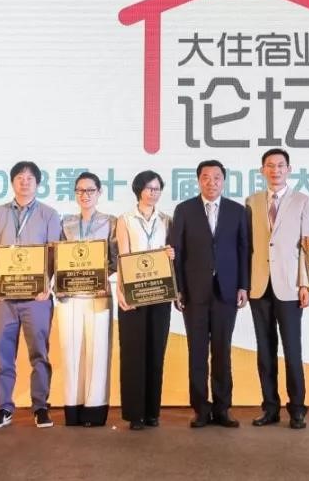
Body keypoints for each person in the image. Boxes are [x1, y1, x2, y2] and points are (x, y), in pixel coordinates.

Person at [170, 159, 250, 428]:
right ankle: (200, 409)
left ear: (223, 181)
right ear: (198, 180)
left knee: (222, 351)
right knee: (197, 352)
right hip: (194, 292)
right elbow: (177, 251)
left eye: (216, 177)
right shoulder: (184, 210)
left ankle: (222, 408)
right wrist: (178, 288)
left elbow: (244, 250)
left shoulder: (237, 211)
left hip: (227, 291)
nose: (211, 182)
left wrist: (243, 285)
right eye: (205, 177)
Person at [0, 161, 62, 430]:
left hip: (36, 297)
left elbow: (53, 252)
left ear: (38, 183)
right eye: (19, 177)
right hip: (3, 298)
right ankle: (4, 408)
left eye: (29, 178)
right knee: (3, 354)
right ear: (12, 182)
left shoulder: (49, 214)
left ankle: (40, 406)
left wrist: (47, 285)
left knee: (39, 353)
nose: (24, 182)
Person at [246, 148, 309, 429]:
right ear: (262, 170)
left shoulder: (303, 201)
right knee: (265, 351)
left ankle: (297, 409)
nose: (275, 170)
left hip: (290, 286)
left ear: (289, 169)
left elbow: (307, 246)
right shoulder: (251, 201)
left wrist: (305, 283)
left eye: (280, 165)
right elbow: (248, 246)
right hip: (259, 285)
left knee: (292, 350)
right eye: (270, 165)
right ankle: (270, 408)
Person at [114, 170, 175, 430]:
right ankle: (135, 414)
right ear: (138, 189)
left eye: (157, 188)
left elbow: (173, 254)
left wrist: (172, 254)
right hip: (134, 293)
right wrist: (122, 291)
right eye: (149, 188)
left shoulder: (167, 220)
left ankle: (152, 412)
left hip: (160, 292)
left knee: (156, 351)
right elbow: (123, 256)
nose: (153, 193)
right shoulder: (125, 219)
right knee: (133, 352)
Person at [58, 172, 118, 427]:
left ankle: (95, 408)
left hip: (98, 294)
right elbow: (58, 258)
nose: (85, 195)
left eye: (90, 190)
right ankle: (72, 408)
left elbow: (116, 259)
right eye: (80, 190)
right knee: (70, 352)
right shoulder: (65, 222)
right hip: (70, 295)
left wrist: (102, 278)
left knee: (98, 350)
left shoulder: (111, 222)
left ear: (99, 192)